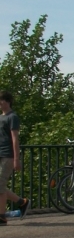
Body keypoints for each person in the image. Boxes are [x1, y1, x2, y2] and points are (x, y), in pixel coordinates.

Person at [0, 91, 30, 225]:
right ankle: (22, 202)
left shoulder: (13, 117)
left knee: (0, 186)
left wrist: (17, 159)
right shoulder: (1, 117)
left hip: (8, 155)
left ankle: (1, 216)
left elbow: (15, 138)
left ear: (8, 101)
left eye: (2, 100)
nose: (0, 103)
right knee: (0, 186)